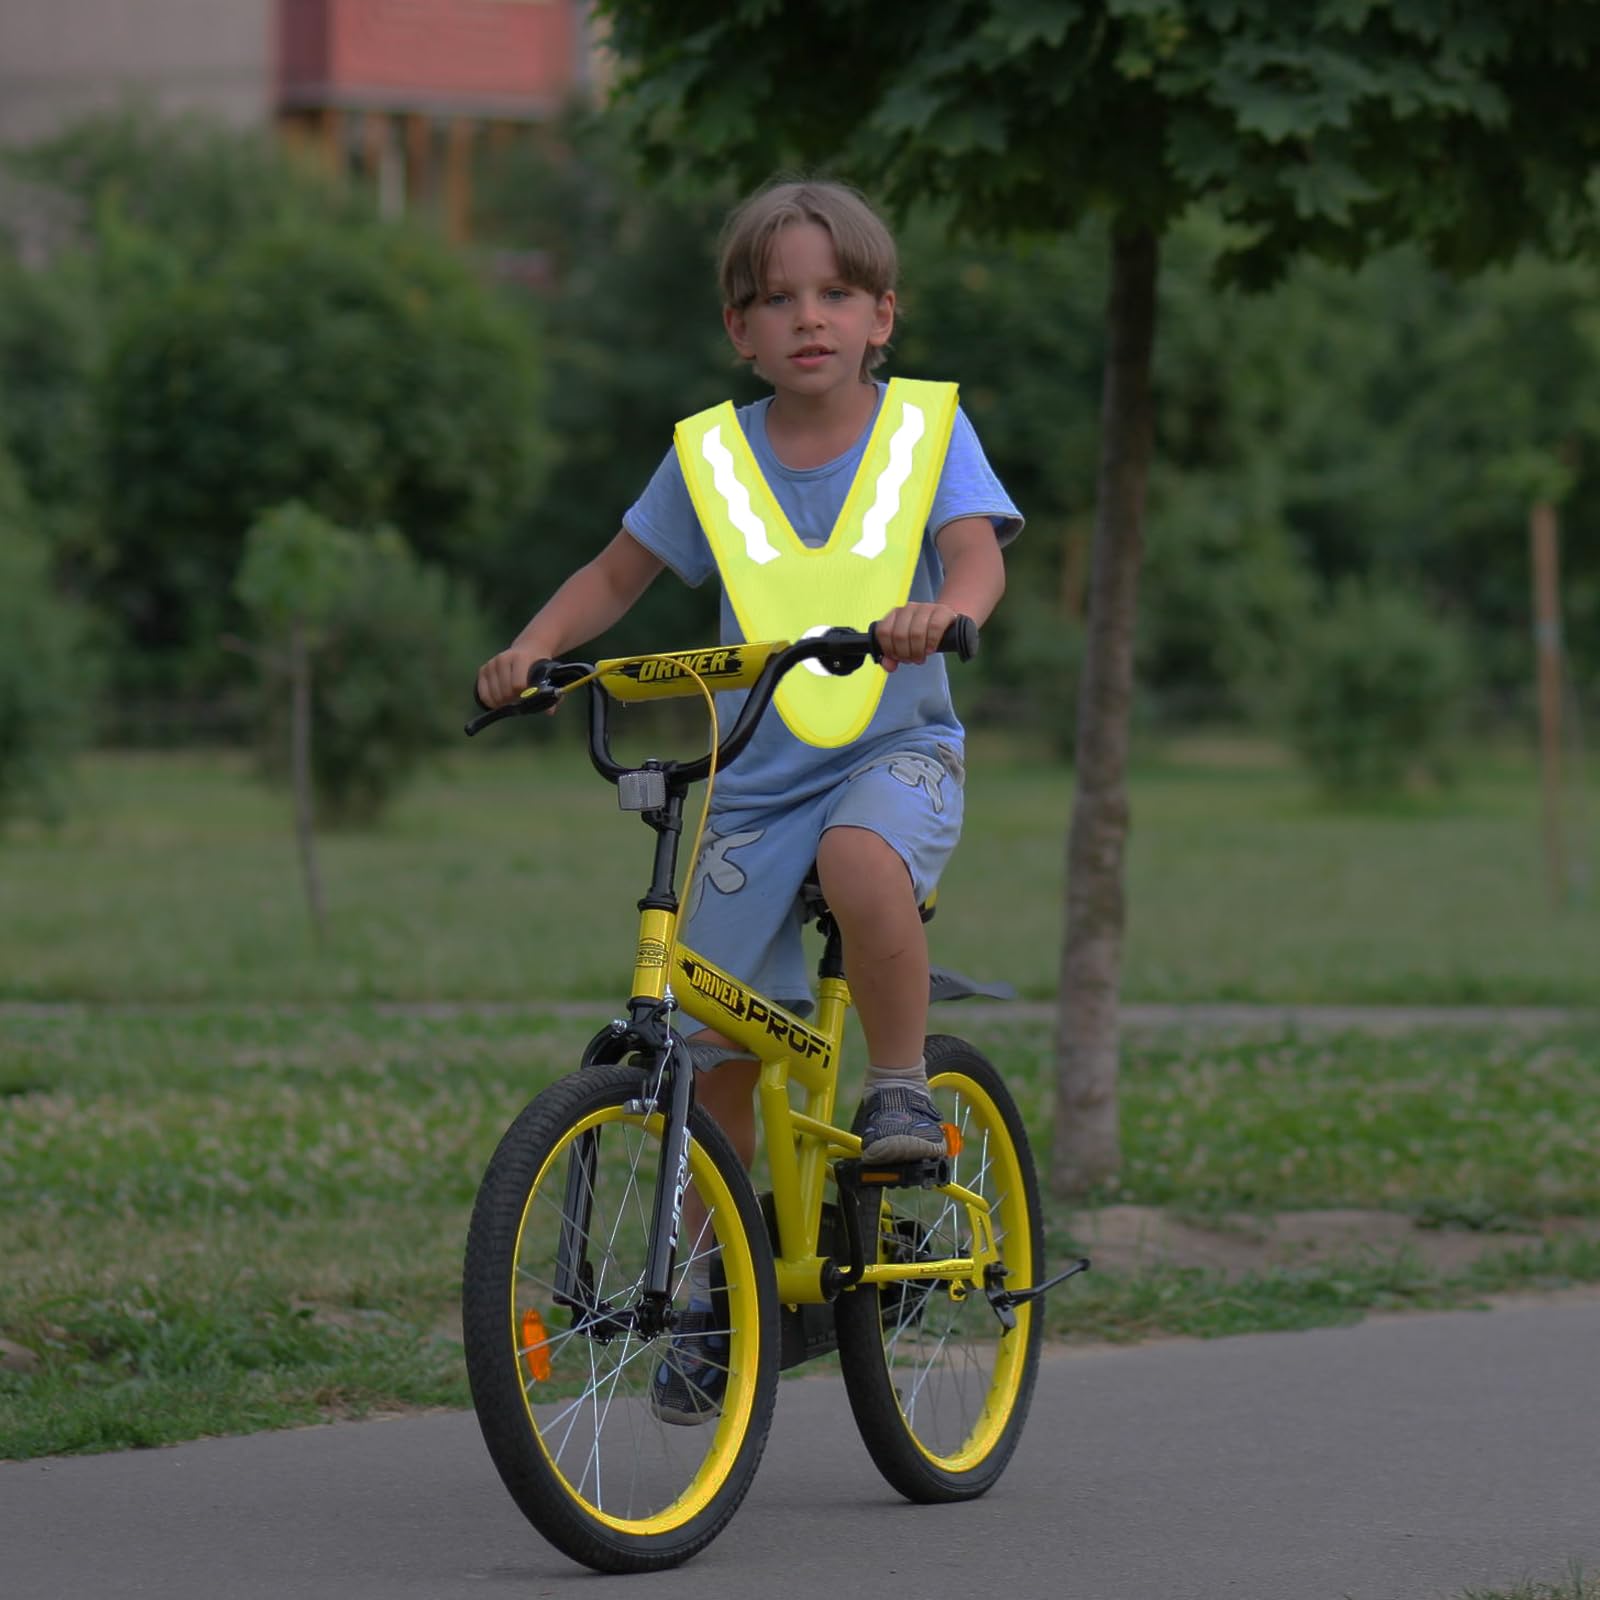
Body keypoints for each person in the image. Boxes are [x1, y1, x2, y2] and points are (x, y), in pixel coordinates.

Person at [476, 177, 1021, 1421]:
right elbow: (618, 572)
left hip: (896, 755)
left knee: (863, 863)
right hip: (755, 784)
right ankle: (725, 1302)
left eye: (835, 294)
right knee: (710, 1055)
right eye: (776, 300)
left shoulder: (928, 431)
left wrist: (950, 612)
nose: (807, 319)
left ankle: (896, 1088)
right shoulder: (709, 455)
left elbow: (978, 549)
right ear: (740, 330)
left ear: (884, 314)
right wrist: (530, 652)